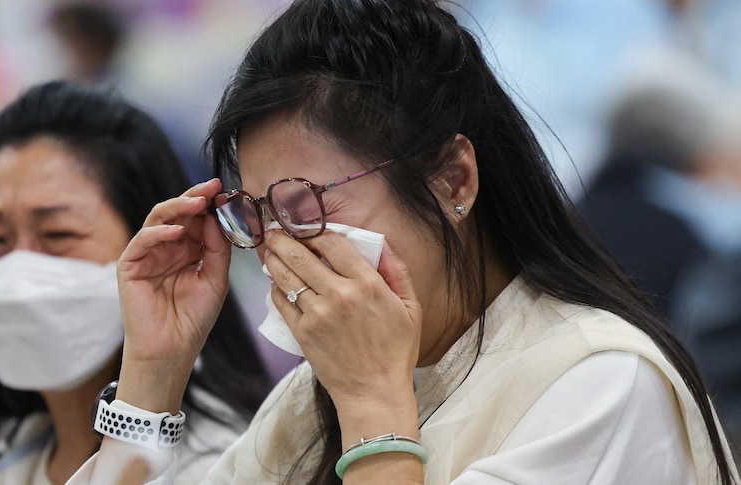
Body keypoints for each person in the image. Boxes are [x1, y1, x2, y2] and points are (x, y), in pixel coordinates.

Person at [70, 1, 739, 483]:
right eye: (258, 215)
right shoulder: (312, 400)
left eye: (304, 205)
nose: (279, 252)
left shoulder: (603, 383)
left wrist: (373, 412)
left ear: (454, 179)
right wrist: (153, 370)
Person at [0, 81, 271, 485]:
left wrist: (151, 376)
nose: (18, 275)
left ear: (165, 244)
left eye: (58, 234)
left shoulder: (228, 467)